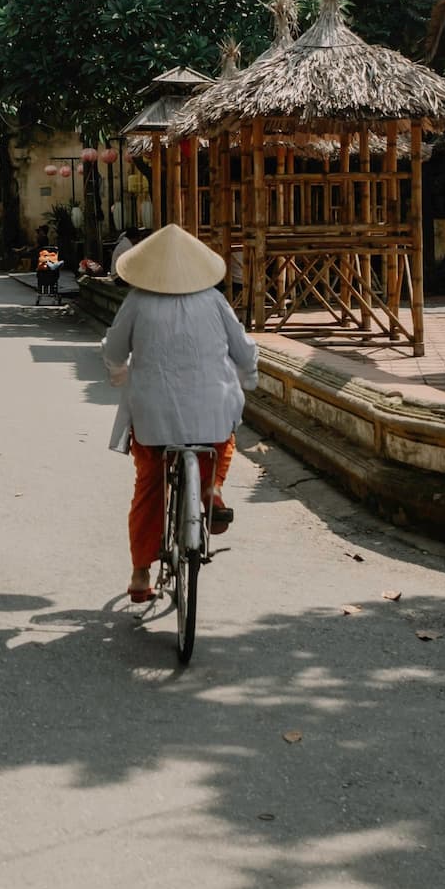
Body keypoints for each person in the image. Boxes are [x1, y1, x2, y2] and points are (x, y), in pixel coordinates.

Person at [102, 224, 258, 604]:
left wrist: (119, 372)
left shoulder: (138, 300)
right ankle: (211, 489)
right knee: (222, 439)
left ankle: (141, 574)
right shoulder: (214, 301)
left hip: (153, 417)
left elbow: (114, 350)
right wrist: (249, 376)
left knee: (150, 484)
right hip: (212, 411)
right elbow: (244, 349)